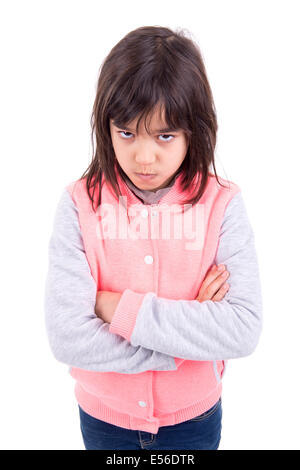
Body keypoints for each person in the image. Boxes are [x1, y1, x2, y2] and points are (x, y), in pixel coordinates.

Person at [44, 25, 263, 450]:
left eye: (165, 136)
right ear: (106, 128)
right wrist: (184, 341)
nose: (145, 157)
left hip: (193, 420)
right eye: (126, 133)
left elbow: (242, 329)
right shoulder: (79, 203)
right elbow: (67, 337)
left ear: (193, 131)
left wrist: (116, 308)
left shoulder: (222, 204)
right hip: (104, 421)